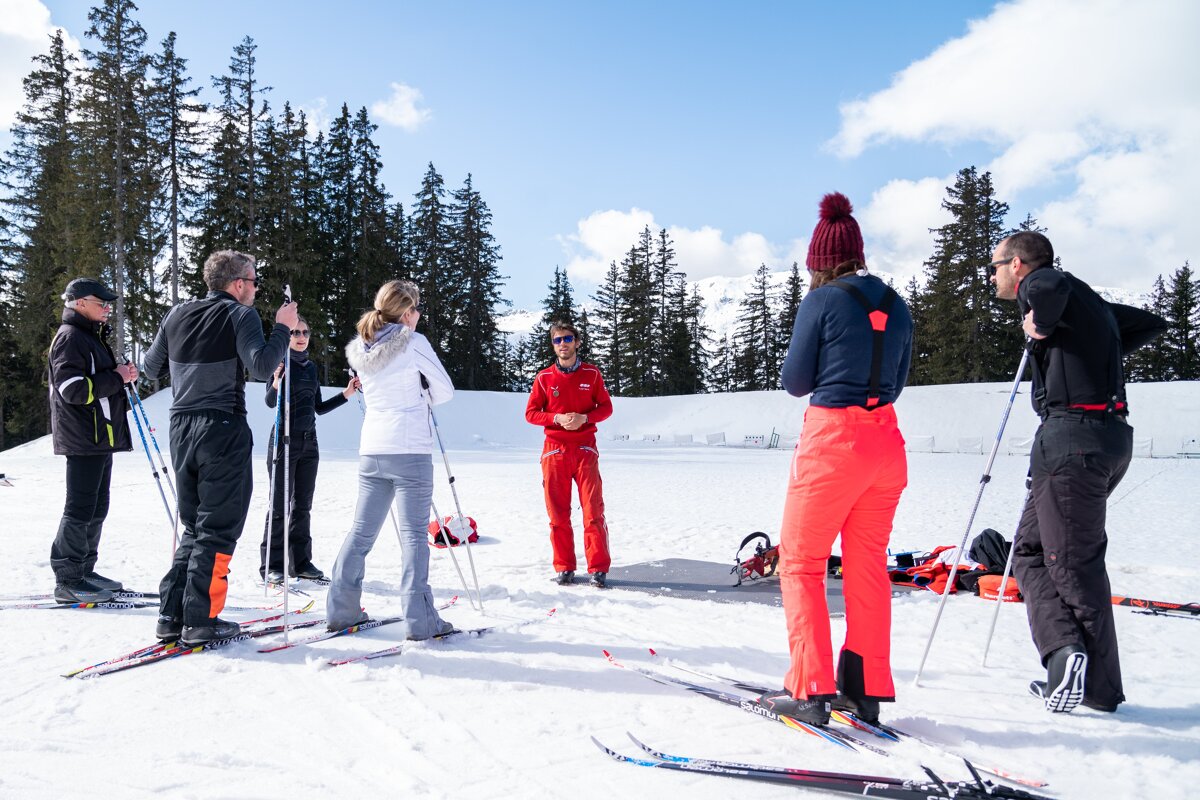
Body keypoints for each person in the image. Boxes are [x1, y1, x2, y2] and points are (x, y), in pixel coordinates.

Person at [988, 230, 1166, 714]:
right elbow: (1150, 323)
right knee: (1026, 552)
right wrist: (1092, 343)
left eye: (996, 266)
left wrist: (1041, 325)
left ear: (1018, 264)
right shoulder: (1087, 304)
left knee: (1071, 564)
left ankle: (1097, 691)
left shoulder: (1043, 283)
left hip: (1073, 440)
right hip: (1102, 439)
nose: (993, 276)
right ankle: (1065, 656)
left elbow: (1046, 287)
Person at [759, 193, 912, 726]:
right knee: (867, 566)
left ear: (819, 260)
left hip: (833, 444)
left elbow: (795, 382)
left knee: (801, 564)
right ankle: (864, 690)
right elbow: (896, 382)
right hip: (886, 445)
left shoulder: (821, 302)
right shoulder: (896, 303)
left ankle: (811, 689)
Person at [142, 250, 298, 645]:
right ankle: (201, 620)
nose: (257, 288)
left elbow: (149, 367)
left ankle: (171, 614)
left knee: (195, 526)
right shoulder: (239, 314)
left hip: (181, 427)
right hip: (221, 425)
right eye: (254, 280)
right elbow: (262, 366)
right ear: (238, 283)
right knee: (217, 526)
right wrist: (283, 328)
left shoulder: (176, 314)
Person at [325, 280, 455, 638]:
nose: (419, 315)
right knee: (414, 536)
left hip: (372, 448)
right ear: (407, 312)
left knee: (361, 532)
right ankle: (420, 619)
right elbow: (444, 390)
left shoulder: (362, 347)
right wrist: (422, 393)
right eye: (416, 309)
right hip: (409, 448)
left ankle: (341, 609)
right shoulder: (414, 342)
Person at [46, 277, 138, 604]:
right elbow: (72, 389)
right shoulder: (70, 337)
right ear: (80, 302)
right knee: (80, 506)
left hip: (99, 436)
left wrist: (121, 375)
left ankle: (84, 570)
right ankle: (68, 579)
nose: (107, 308)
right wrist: (116, 377)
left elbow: (100, 382)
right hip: (83, 437)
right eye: (102, 302)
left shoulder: (90, 337)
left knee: (97, 505)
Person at [260, 315, 360, 583]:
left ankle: (301, 563)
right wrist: (277, 381)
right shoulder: (279, 364)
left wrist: (346, 394)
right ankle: (272, 567)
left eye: (304, 332)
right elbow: (270, 402)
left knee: (303, 506)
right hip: (283, 441)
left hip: (309, 443)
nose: (301, 337)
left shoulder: (310, 368)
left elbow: (319, 408)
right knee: (280, 506)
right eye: (294, 332)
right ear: (287, 337)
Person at [524, 320, 614, 587]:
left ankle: (598, 568)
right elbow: (531, 414)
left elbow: (606, 408)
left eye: (567, 339)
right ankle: (564, 567)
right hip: (555, 452)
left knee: (593, 510)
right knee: (558, 514)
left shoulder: (592, 374)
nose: (562, 344)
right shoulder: (544, 378)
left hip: (585, 450)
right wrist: (557, 419)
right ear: (553, 345)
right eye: (557, 340)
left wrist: (584, 417)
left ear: (577, 341)